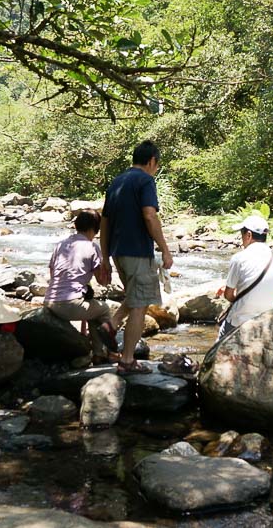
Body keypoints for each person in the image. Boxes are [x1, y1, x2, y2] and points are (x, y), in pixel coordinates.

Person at [97, 140, 173, 374]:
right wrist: (165, 249)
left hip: (119, 252)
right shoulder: (146, 180)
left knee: (135, 296)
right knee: (140, 306)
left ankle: (112, 324)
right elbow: (150, 216)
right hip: (138, 252)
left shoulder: (117, 182)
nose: (156, 169)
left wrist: (105, 258)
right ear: (152, 161)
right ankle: (127, 361)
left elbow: (105, 222)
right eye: (157, 165)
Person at [44, 210, 119, 363]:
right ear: (94, 228)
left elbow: (53, 275)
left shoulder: (60, 245)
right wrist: (108, 269)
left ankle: (98, 353)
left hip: (49, 301)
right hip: (68, 305)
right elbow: (102, 281)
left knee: (92, 308)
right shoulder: (91, 247)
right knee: (103, 309)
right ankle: (109, 352)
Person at [218, 214, 273, 340]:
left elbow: (228, 295)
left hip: (238, 322)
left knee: (219, 344)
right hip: (265, 322)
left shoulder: (239, 258)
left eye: (242, 235)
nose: (241, 239)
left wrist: (235, 295)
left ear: (248, 235)